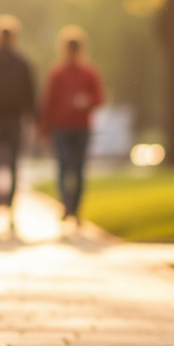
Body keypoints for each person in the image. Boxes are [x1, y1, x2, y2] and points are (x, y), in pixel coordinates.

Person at [40, 25, 105, 231]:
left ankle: (75, 209)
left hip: (81, 127)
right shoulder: (57, 73)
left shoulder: (89, 73)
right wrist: (44, 128)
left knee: (78, 169)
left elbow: (99, 98)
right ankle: (66, 205)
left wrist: (86, 101)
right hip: (61, 127)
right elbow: (48, 102)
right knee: (63, 166)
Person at [0, 14, 35, 233]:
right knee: (4, 164)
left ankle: (6, 205)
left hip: (9, 119)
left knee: (7, 165)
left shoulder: (17, 62)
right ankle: (2, 203)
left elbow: (30, 93)